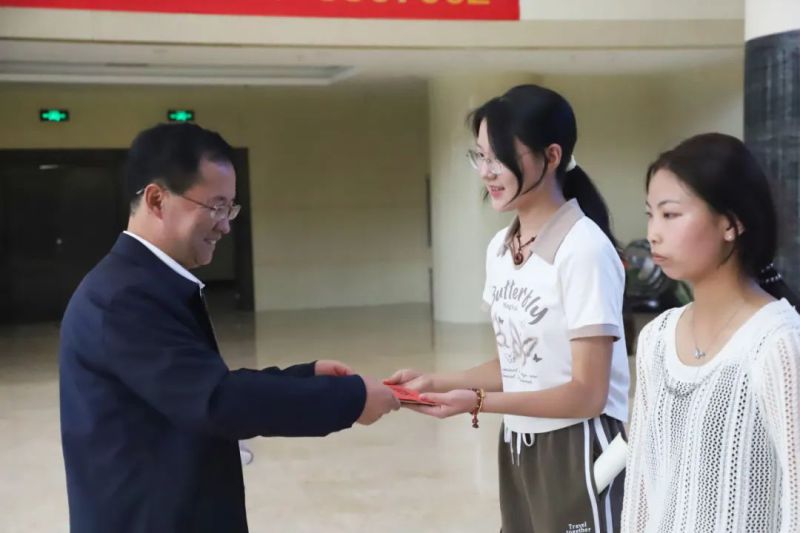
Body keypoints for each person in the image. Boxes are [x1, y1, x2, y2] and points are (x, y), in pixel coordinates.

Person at [59, 122, 400, 533]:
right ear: (156, 199)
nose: (224, 225)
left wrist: (303, 376)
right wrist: (350, 399)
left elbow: (194, 382)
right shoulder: (123, 298)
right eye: (215, 207)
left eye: (229, 209)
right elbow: (216, 401)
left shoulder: (143, 283)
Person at [387, 84, 630, 533]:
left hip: (577, 445)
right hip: (519, 441)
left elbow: (588, 393)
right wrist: (437, 382)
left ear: (551, 156)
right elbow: (520, 366)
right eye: (480, 156)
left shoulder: (584, 249)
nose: (486, 172)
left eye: (499, 158)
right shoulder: (500, 248)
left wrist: (477, 402)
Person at [621, 133, 800, 532]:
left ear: (731, 224)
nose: (653, 233)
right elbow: (641, 488)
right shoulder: (656, 339)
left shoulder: (777, 343)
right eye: (650, 214)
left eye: (670, 215)